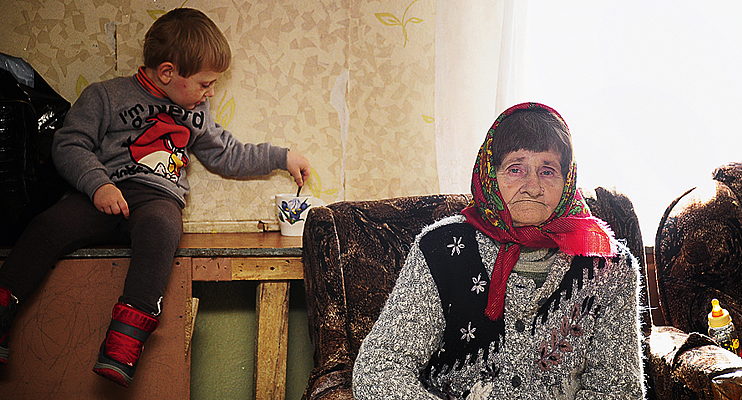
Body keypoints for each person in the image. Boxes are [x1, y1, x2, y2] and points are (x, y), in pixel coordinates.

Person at [0, 7, 310, 387]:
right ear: (167, 73)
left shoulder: (195, 114)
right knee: (48, 224)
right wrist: (98, 184)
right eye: (205, 83)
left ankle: (126, 338)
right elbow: (68, 143)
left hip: (156, 200)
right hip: (102, 194)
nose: (211, 93)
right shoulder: (105, 96)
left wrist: (282, 157)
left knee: (163, 229)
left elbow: (228, 155)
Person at [352, 102, 644, 399]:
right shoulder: (440, 248)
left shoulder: (609, 266)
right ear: (491, 175)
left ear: (568, 180)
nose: (532, 187)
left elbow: (618, 389)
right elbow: (380, 367)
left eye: (548, 171)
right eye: (516, 169)